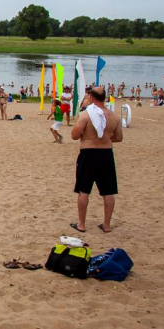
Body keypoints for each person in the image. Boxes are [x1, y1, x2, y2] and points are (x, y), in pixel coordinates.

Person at [70, 86, 123, 234]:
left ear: (91, 98)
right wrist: (105, 137)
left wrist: (88, 135)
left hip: (88, 153)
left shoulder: (86, 115)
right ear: (105, 98)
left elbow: (74, 135)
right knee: (108, 191)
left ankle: (81, 224)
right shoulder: (113, 116)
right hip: (106, 153)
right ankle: (106, 225)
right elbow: (118, 137)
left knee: (83, 190)